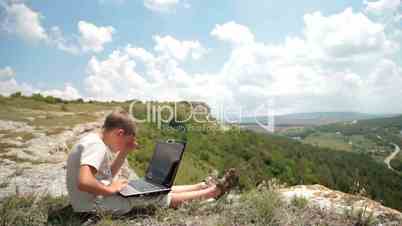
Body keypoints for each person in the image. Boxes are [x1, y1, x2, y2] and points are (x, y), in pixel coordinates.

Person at [66, 108, 237, 215]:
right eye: (126, 142)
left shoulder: (93, 140)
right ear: (119, 133)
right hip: (90, 206)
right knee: (156, 198)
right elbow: (84, 182)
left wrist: (124, 151)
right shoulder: (96, 146)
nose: (124, 146)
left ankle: (200, 186)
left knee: (154, 189)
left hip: (92, 199)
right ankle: (213, 192)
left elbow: (106, 174)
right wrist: (109, 189)